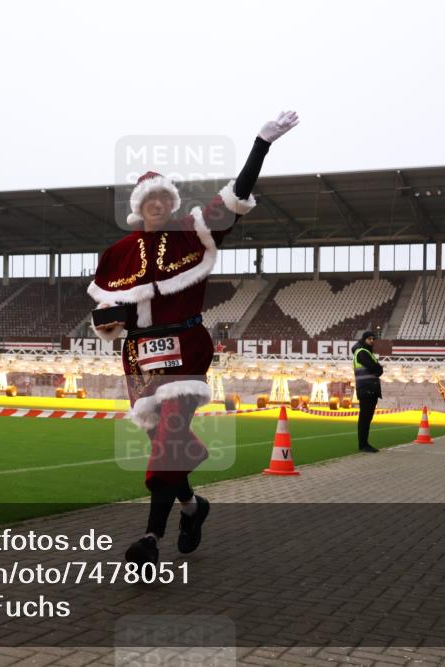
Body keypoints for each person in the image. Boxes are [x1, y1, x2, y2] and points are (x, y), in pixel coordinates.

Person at [90, 111, 299, 565]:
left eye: (164, 197)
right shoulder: (118, 254)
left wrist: (260, 144)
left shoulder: (190, 232)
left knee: (169, 440)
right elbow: (108, 315)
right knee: (166, 443)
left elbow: (234, 198)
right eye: (150, 199)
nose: (158, 204)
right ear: (139, 207)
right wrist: (108, 323)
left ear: (171, 203)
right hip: (139, 357)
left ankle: (150, 538)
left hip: (184, 347)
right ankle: (191, 506)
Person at [351, 331, 382, 453]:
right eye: (369, 339)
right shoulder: (362, 352)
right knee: (365, 418)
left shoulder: (368, 352)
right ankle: (363, 445)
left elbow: (378, 369)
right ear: (364, 339)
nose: (372, 341)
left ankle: (364, 443)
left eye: (373, 339)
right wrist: (378, 368)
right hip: (366, 388)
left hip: (370, 388)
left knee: (367, 418)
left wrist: (378, 368)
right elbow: (376, 368)